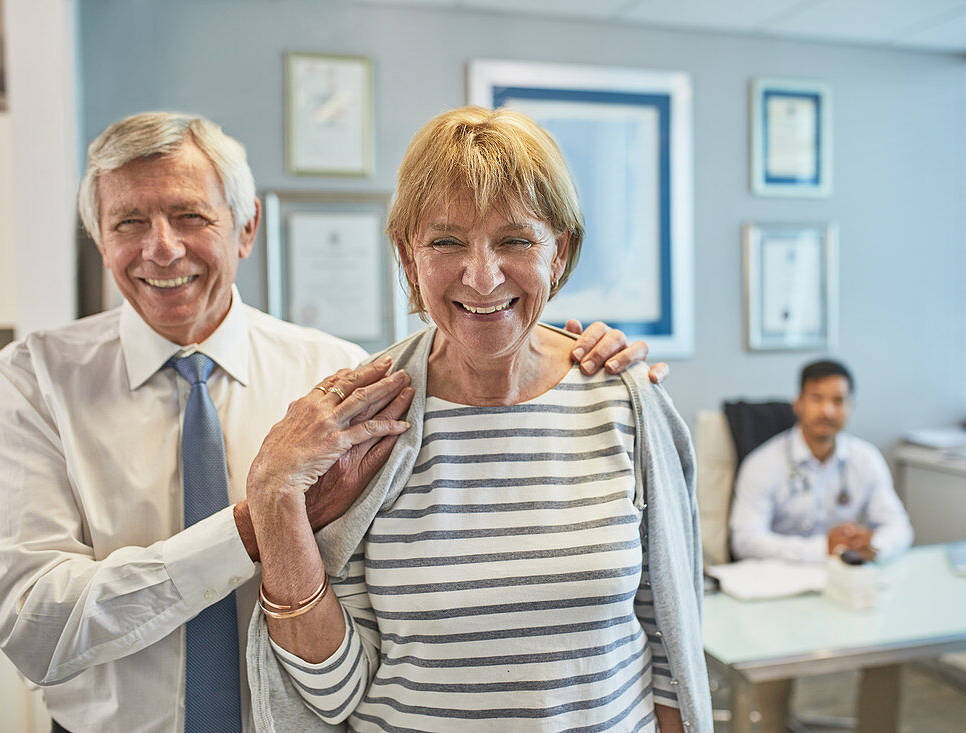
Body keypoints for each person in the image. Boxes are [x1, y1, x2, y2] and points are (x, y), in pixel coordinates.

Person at [0, 111, 659, 733]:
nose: (161, 249)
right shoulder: (36, 379)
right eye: (128, 221)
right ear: (100, 238)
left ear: (246, 227)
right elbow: (34, 627)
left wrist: (607, 366)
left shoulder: (341, 379)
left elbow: (662, 633)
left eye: (190, 215)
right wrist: (259, 521)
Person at [244, 106, 713, 732]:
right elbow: (332, 695)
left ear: (559, 250)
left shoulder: (626, 401)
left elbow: (671, 655)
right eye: (446, 241)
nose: (483, 275)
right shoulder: (370, 417)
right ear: (410, 259)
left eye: (515, 240)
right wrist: (275, 497)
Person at [728, 359, 913, 733]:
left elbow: (900, 526)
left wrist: (873, 543)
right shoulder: (763, 464)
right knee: (772, 663)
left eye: (838, 400)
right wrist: (822, 550)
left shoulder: (865, 460)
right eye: (817, 398)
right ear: (798, 403)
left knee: (886, 656)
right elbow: (744, 539)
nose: (828, 410)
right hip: (782, 595)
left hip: (846, 591)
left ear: (850, 407)